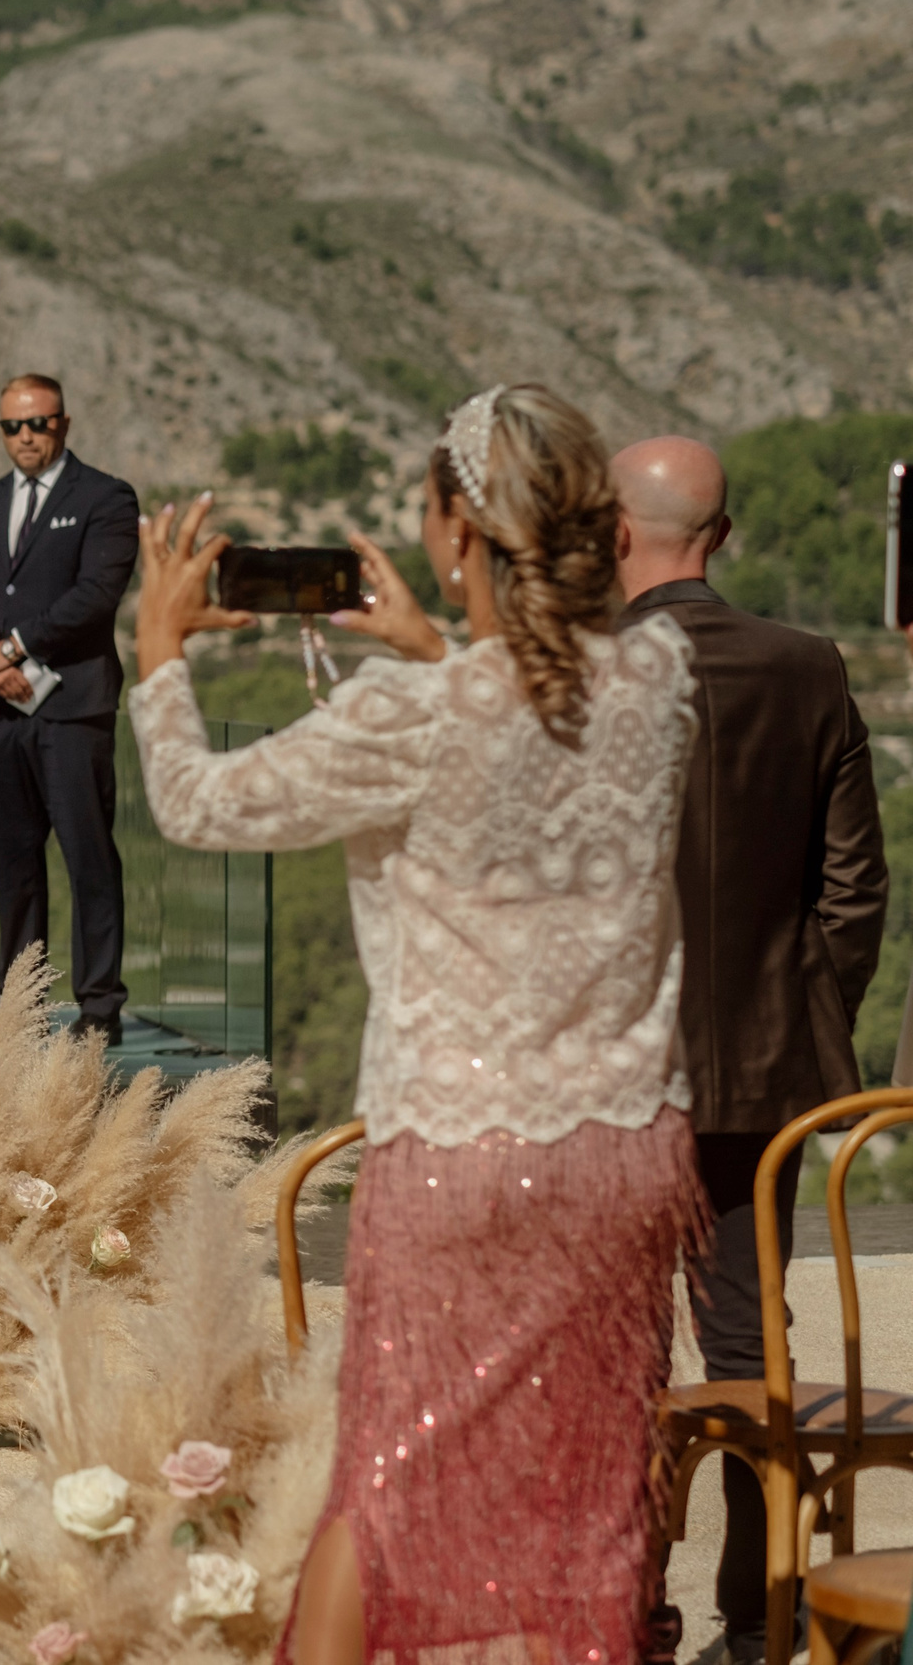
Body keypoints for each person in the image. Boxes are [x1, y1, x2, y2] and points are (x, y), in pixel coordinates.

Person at [129, 385, 703, 1665]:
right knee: (585, 1506)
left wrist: (160, 650)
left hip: (454, 1162)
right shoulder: (662, 682)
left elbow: (198, 803)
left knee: (384, 1489)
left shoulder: (409, 716)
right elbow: (530, 720)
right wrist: (440, 644)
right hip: (621, 1163)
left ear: (454, 536)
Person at [613, 435, 887, 1664]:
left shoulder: (581, 674)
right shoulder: (808, 665)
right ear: (719, 537)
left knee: (614, 1358)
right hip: (767, 1084)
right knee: (747, 1350)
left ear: (614, 534)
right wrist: (796, 1015)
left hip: (612, 1080)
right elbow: (854, 889)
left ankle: (628, 1615)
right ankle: (754, 1617)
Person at [0, 372, 139, 1039]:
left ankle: (99, 1008)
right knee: (14, 865)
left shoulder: (105, 497)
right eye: (12, 425)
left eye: (39, 422)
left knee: (88, 858)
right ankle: (20, 1009)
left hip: (72, 709)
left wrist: (12, 649)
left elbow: (96, 595)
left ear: (64, 424)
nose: (26, 436)